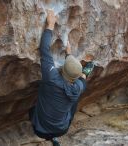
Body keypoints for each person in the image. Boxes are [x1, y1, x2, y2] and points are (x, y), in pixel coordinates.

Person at [29, 10, 94, 146]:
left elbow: (45, 49)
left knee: (32, 109)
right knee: (76, 97)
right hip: (62, 130)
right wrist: (70, 57)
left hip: (40, 131)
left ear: (63, 69)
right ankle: (54, 138)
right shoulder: (78, 87)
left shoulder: (51, 77)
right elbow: (82, 80)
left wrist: (50, 25)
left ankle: (47, 133)